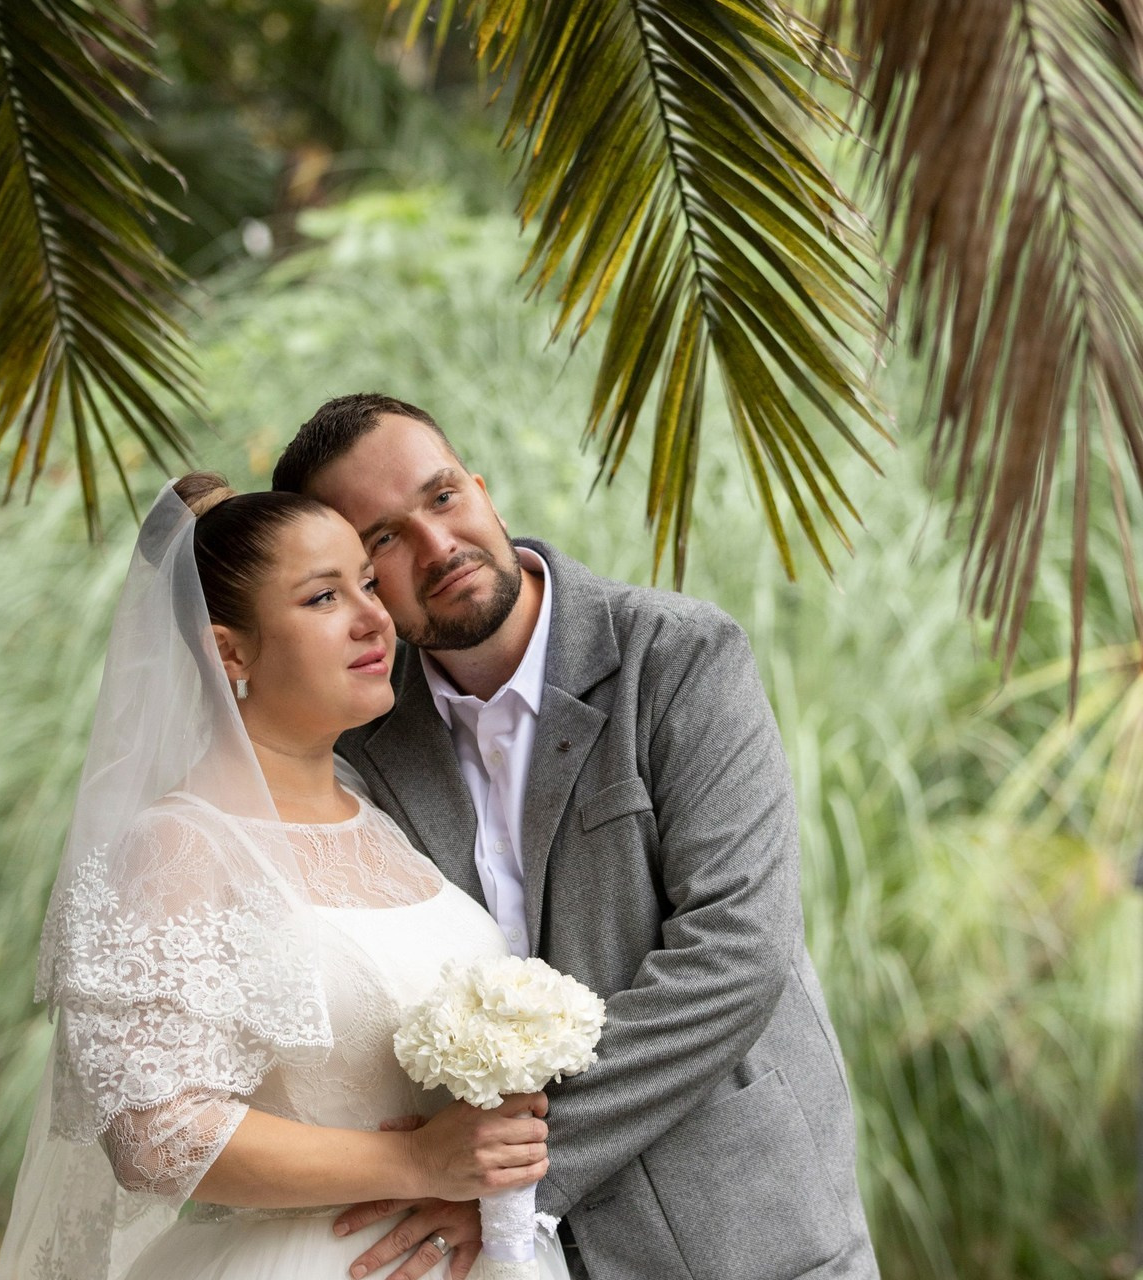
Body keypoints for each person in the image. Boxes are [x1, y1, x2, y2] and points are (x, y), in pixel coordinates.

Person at [272, 395, 881, 1280]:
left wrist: (503, 1181)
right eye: (385, 542)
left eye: (443, 498)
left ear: (480, 489)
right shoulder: (363, 739)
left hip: (746, 1230)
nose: (439, 547)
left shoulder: (677, 657)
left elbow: (739, 953)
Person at [0, 474, 568, 1280]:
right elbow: (156, 1136)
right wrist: (417, 1167)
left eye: (368, 584)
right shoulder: (176, 849)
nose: (374, 617)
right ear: (229, 650)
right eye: (323, 598)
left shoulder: (381, 817)